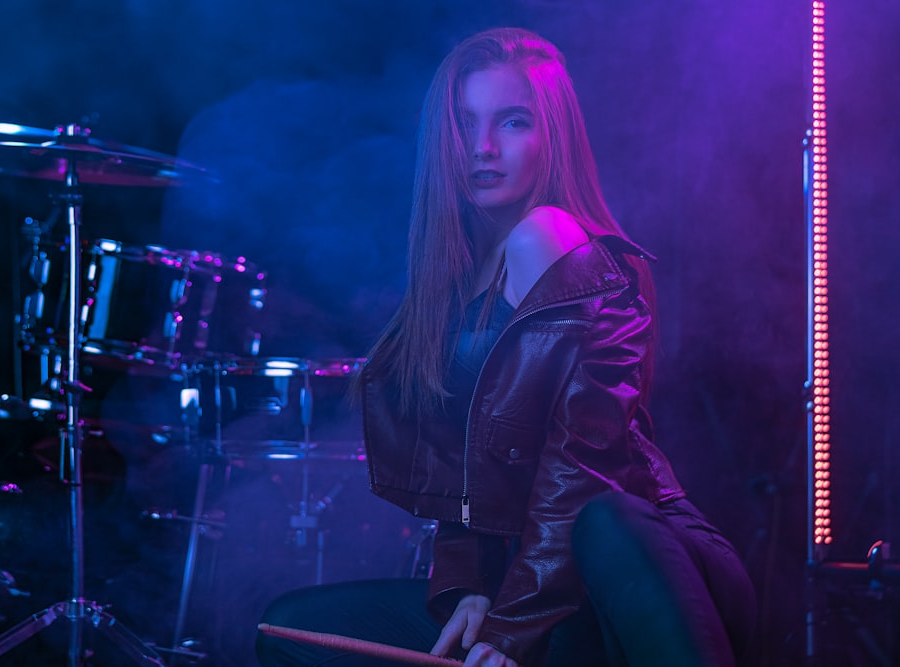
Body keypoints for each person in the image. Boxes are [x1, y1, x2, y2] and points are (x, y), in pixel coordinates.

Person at [256, 26, 756, 667]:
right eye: (464, 125)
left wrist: (513, 623)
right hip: (539, 577)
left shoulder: (549, 240)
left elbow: (584, 459)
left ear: (553, 138)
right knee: (292, 629)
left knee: (604, 520)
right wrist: (468, 586)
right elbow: (468, 461)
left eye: (513, 122)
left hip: (636, 575)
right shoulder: (454, 278)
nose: (482, 148)